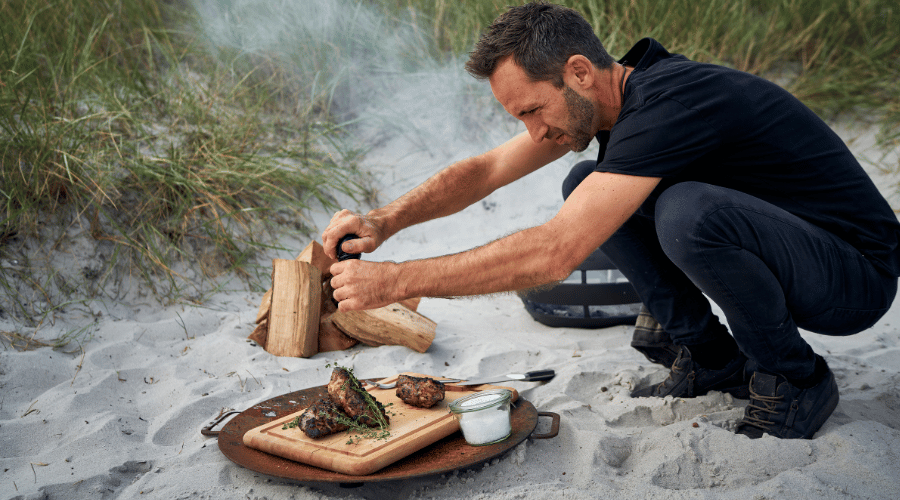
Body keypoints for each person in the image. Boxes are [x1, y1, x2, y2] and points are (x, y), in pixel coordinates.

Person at [321, 1, 900, 439]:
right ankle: (711, 358)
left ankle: (797, 379)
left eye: (530, 110)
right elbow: (487, 169)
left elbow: (554, 253)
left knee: (689, 213)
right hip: (801, 253)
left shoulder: (668, 104)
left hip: (853, 278)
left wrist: (396, 281)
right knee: (584, 183)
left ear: (578, 71)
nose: (533, 132)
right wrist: (384, 221)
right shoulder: (607, 102)